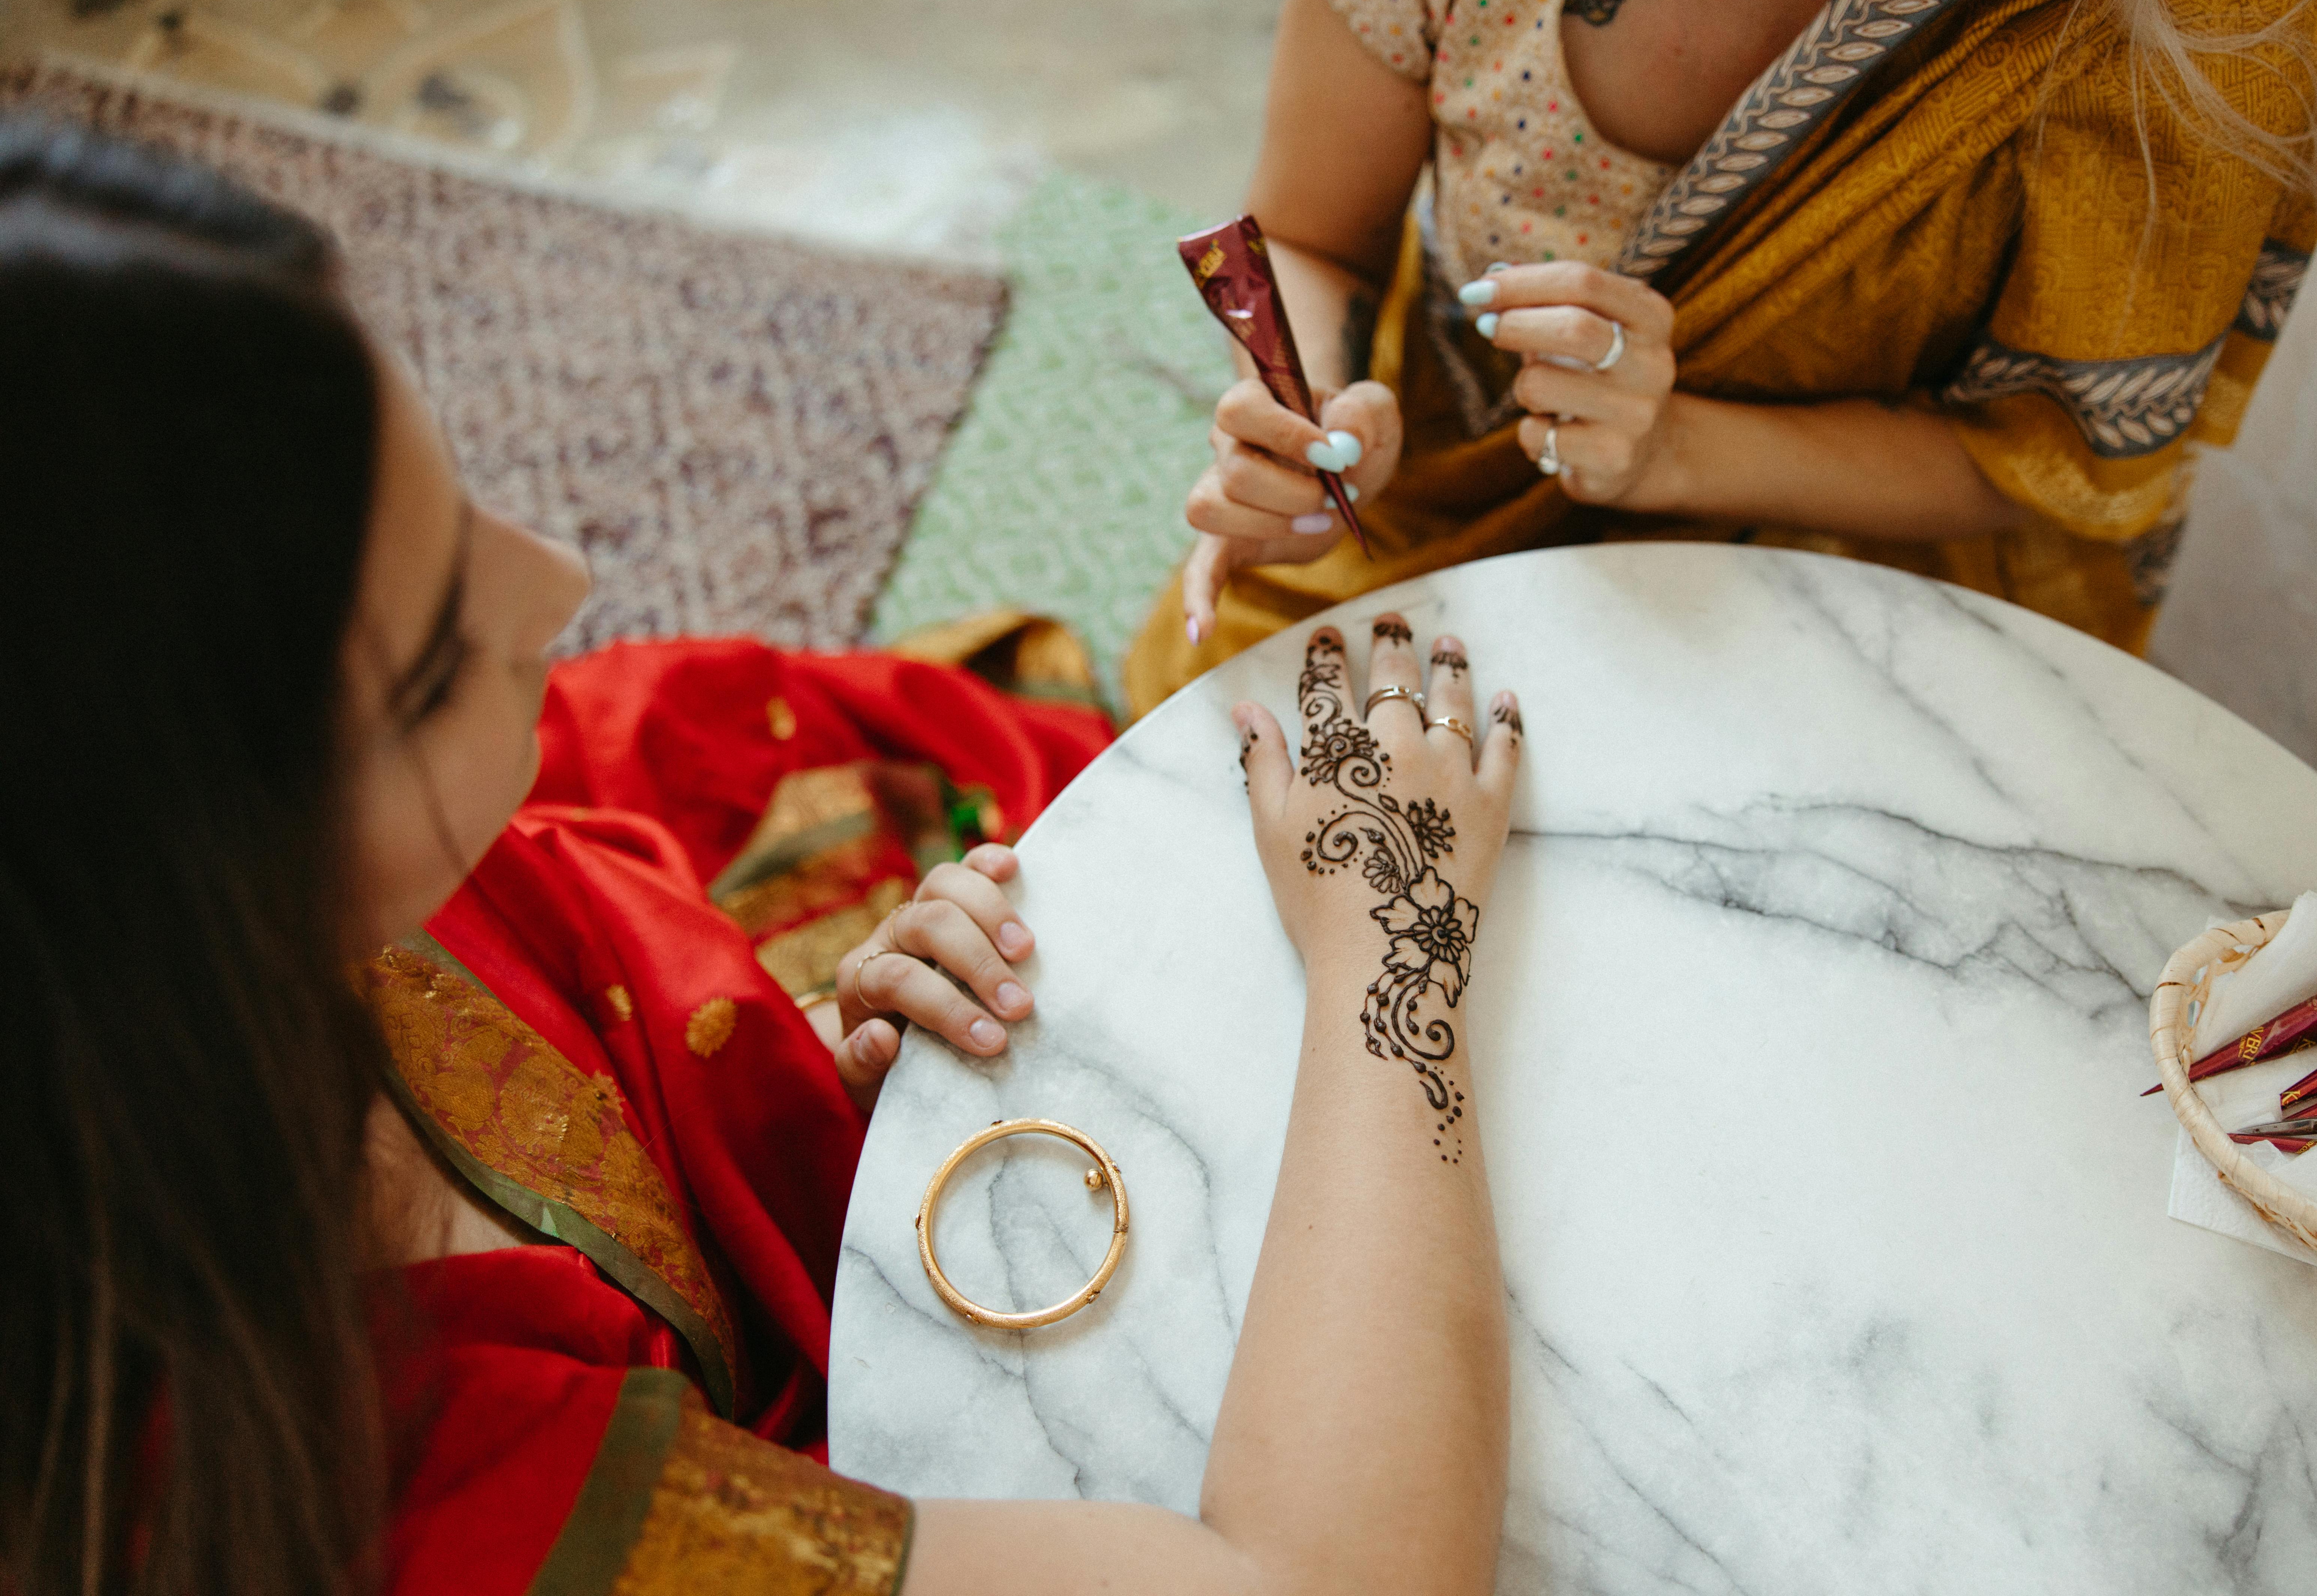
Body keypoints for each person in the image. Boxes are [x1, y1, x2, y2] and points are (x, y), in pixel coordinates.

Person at [0, 120, 1525, 1595]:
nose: (565, 582)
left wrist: (814, 1088)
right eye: (436, 661)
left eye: (460, 505)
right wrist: (1397, 937)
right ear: (193, 913)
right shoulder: (394, 1510)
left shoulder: (146, 970)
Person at [1124, 0, 2317, 716]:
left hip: (1880, 594)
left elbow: (2069, 453)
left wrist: (1675, 450)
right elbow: (1313, 235)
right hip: (1458, 496)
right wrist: (1315, 423)